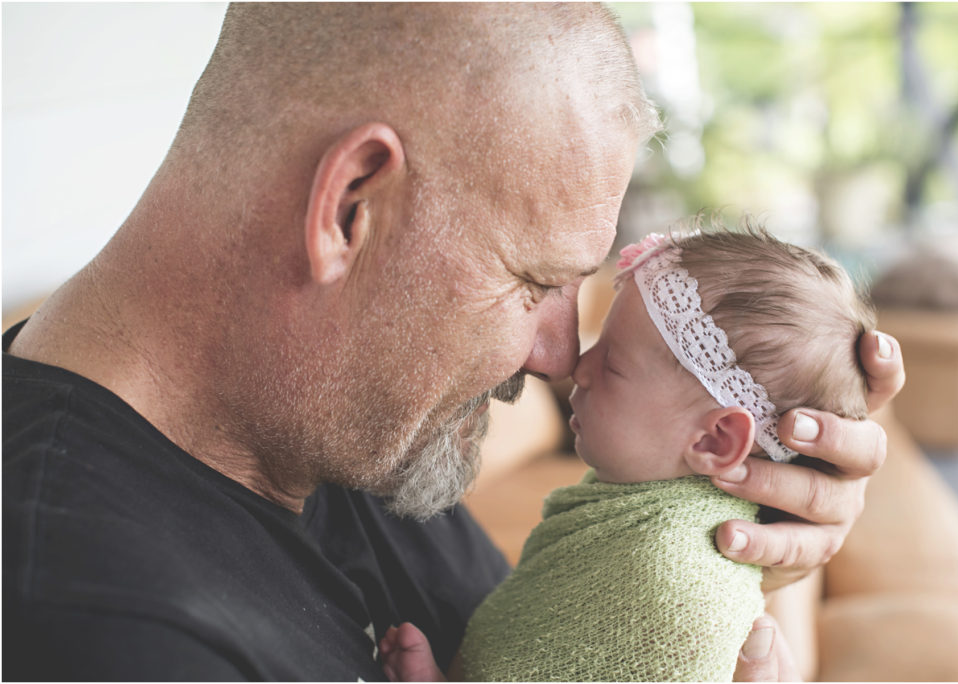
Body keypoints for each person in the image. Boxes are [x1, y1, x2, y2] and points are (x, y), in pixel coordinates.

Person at [3, 4, 903, 681]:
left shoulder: (343, 422)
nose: (557, 356)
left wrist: (725, 547)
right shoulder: (100, 630)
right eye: (536, 283)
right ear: (353, 207)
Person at [378, 223, 878, 681]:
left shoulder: (670, 583)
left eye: (612, 364)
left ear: (715, 440)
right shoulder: (635, 509)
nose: (578, 367)